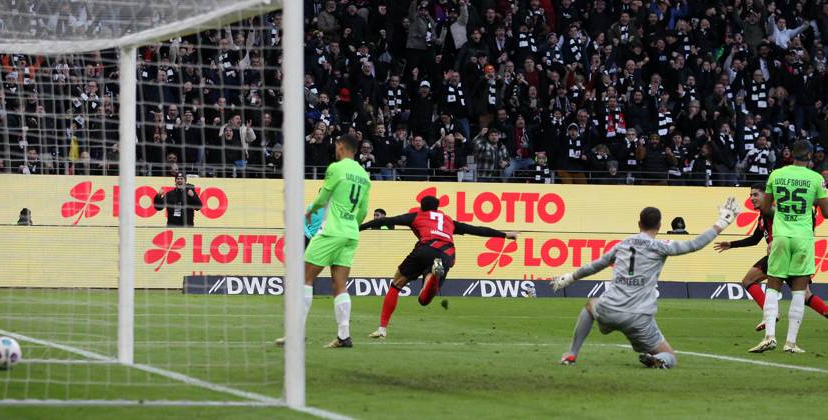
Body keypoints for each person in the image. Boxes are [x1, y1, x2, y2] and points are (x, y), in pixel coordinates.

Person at [551, 198, 742, 368]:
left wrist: (570, 277)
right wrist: (722, 222)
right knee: (670, 356)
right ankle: (659, 360)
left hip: (609, 309)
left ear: (638, 223)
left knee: (590, 305)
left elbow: (596, 266)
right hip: (638, 318)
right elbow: (695, 244)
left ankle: (571, 354)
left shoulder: (623, 244)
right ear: (659, 226)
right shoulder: (661, 246)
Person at [358, 195, 518, 338]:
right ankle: (433, 276)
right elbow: (475, 229)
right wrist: (504, 235)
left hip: (425, 248)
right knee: (424, 299)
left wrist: (359, 228)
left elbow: (385, 221)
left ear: (421, 207)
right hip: (446, 253)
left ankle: (382, 329)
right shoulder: (448, 221)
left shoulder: (417, 216)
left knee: (396, 284)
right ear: (437, 208)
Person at [277, 134, 371, 349]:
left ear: (341, 147)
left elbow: (323, 196)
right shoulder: (364, 175)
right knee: (339, 284)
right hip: (350, 233)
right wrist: (350, 225)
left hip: (331, 231)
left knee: (304, 277)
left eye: (336, 146)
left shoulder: (336, 168)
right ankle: (344, 336)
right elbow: (363, 211)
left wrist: (312, 211)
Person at [714, 184, 828, 332]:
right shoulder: (763, 216)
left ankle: (771, 315)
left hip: (781, 253)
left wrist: (777, 240)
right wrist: (731, 244)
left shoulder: (774, 211)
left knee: (748, 280)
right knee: (805, 295)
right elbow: (755, 239)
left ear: (766, 196)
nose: (752, 198)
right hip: (790, 255)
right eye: (751, 195)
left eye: (756, 195)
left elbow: (789, 223)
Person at [751, 144, 828, 354]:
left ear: (791, 155)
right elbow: (827, 213)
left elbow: (766, 209)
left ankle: (769, 337)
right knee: (799, 291)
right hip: (803, 238)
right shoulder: (815, 178)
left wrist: (784, 212)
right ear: (810, 156)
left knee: (773, 286)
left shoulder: (776, 174)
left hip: (781, 237)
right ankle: (791, 343)